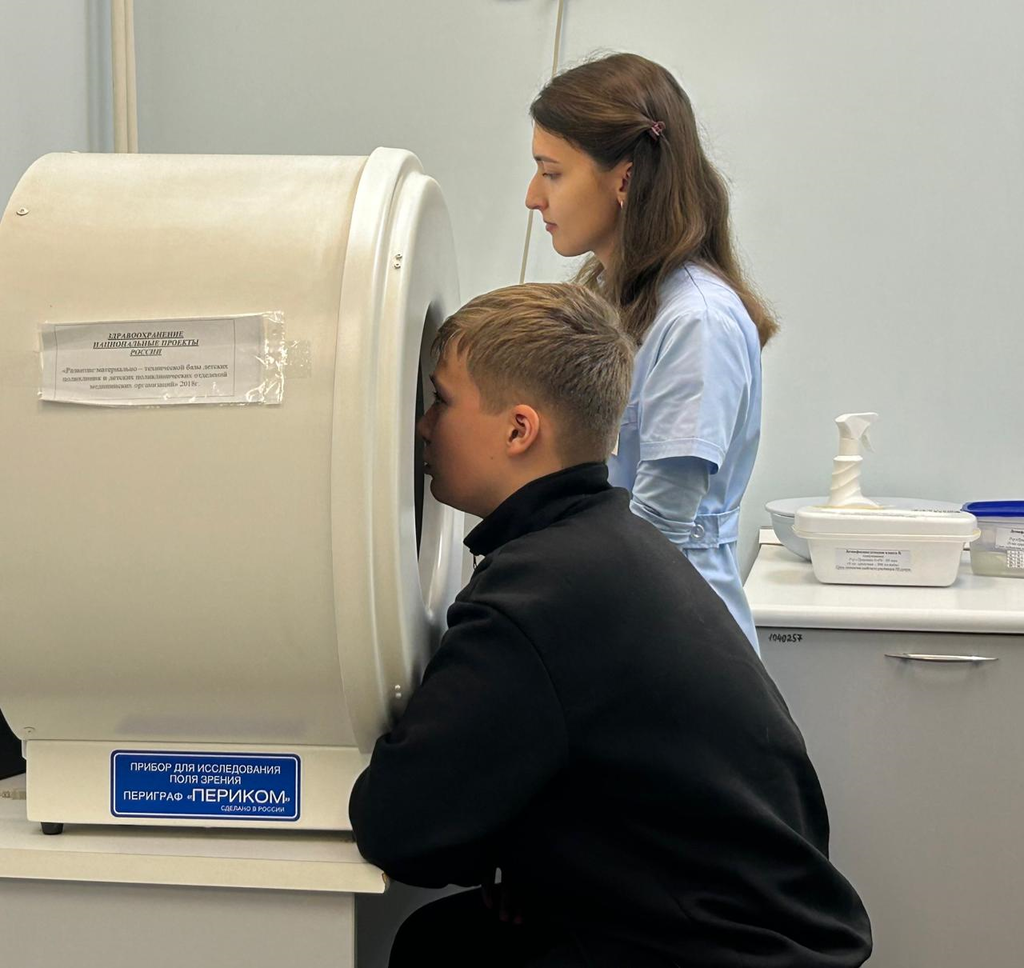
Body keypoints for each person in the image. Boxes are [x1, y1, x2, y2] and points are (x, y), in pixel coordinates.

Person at [349, 283, 871, 968]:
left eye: (441, 401)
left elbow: (398, 829)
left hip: (722, 952)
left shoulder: (537, 593)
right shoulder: (613, 541)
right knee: (443, 940)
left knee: (435, 949)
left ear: (518, 430)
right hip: (761, 927)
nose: (423, 426)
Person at [525, 52, 776, 650]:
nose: (533, 197)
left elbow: (658, 530)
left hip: (672, 634)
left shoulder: (697, 322)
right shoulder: (616, 303)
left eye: (552, 173)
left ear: (625, 178)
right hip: (628, 609)